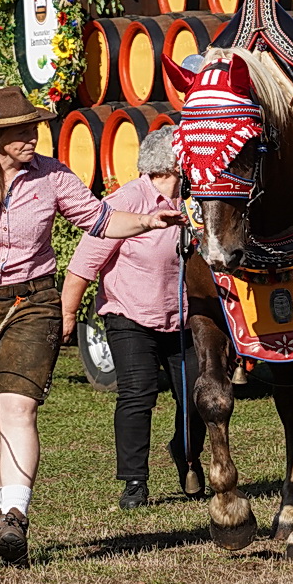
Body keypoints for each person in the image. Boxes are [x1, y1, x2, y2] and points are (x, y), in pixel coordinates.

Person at [0, 87, 182, 566]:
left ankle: (17, 515)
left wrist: (148, 221)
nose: (33, 137)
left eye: (34, 128)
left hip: (31, 302)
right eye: (22, 131)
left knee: (19, 408)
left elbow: (98, 220)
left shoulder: (53, 176)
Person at [61, 128, 205, 509]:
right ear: (174, 162)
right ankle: (134, 483)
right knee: (139, 394)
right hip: (129, 315)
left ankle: (187, 454)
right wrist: (67, 314)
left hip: (183, 318)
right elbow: (82, 265)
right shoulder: (127, 200)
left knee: (197, 396)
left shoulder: (197, 200)